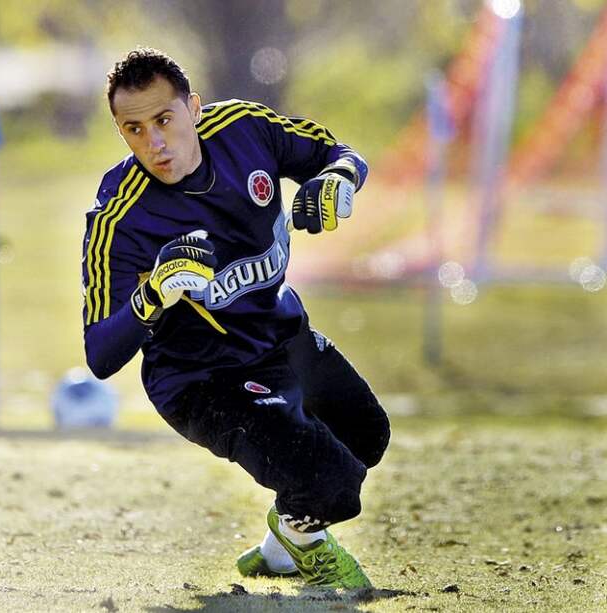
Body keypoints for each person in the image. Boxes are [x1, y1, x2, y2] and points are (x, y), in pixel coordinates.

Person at [81, 47, 390, 589]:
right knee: (333, 483)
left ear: (194, 108)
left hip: (279, 336)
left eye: (163, 119)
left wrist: (338, 180)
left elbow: (340, 154)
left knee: (367, 436)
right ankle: (308, 548)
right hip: (200, 379)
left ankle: (279, 547)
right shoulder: (120, 215)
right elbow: (100, 356)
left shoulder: (246, 128)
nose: (153, 142)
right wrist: (152, 295)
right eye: (132, 129)